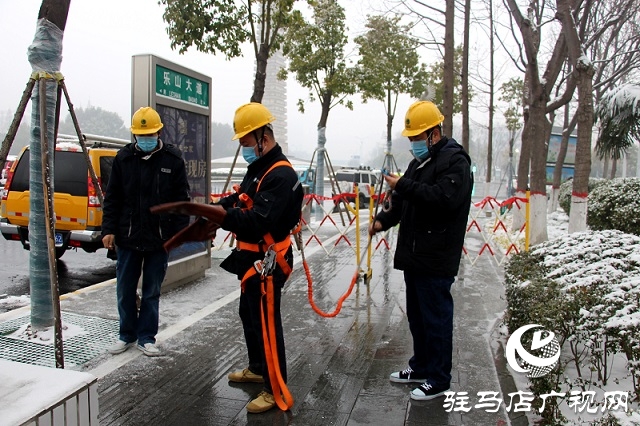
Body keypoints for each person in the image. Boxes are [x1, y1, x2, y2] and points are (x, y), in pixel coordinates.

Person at [368, 100, 473, 400]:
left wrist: (403, 186)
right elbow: (402, 204)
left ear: (433, 134)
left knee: (436, 319)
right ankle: (421, 366)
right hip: (415, 256)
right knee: (417, 316)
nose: (413, 144)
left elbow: (442, 199)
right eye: (411, 139)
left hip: (437, 257)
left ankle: (439, 379)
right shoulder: (418, 164)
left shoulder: (456, 163)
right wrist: (382, 221)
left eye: (416, 138)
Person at [215, 102, 303, 413]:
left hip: (268, 262)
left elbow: (256, 220)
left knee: (267, 323)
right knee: (248, 313)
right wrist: (215, 209)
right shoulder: (260, 168)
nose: (243, 149)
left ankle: (274, 387)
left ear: (263, 137)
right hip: (250, 258)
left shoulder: (279, 175)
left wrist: (222, 218)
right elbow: (241, 198)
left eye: (246, 143)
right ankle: (257, 367)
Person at [102, 106, 190, 357]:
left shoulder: (172, 160)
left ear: (159, 132)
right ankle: (126, 335)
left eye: (151, 134)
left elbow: (181, 201)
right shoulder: (123, 159)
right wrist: (108, 229)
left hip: (158, 239)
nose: (146, 139)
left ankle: (146, 337)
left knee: (151, 291)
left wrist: (177, 234)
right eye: (141, 135)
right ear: (134, 135)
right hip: (128, 237)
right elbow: (113, 198)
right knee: (125, 289)